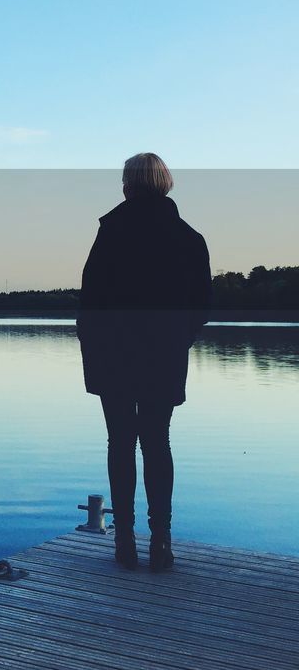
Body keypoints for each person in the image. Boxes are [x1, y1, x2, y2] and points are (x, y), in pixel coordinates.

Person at [76, 153, 211, 572]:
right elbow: (201, 304)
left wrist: (94, 346)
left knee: (121, 442)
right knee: (157, 442)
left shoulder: (110, 232)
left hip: (114, 355)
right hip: (163, 354)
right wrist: (177, 340)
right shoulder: (189, 237)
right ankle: (162, 545)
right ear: (165, 183)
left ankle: (124, 545)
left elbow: (90, 300)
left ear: (127, 185)